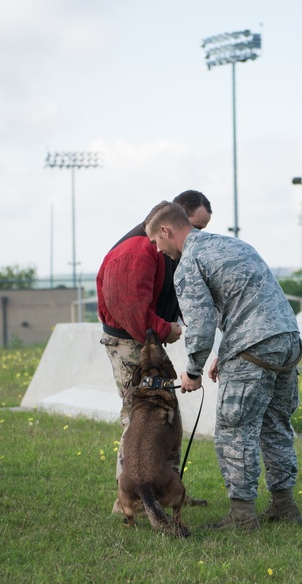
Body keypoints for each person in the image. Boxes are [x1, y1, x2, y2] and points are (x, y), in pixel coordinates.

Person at [143, 200, 302, 530]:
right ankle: (284, 505)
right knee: (275, 425)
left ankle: (243, 517)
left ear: (166, 230)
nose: (158, 251)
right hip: (287, 339)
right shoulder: (232, 244)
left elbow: (200, 325)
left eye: (156, 243)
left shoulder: (189, 264)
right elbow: (249, 303)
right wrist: (226, 353)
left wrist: (192, 370)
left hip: (254, 344)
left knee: (235, 431)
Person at [96, 191, 212, 514]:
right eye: (195, 226)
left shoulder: (169, 252)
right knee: (139, 422)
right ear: (171, 224)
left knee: (166, 421)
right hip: (132, 344)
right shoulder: (136, 252)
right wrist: (166, 330)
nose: (196, 236)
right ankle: (128, 500)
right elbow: (133, 313)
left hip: (149, 341)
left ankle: (168, 491)